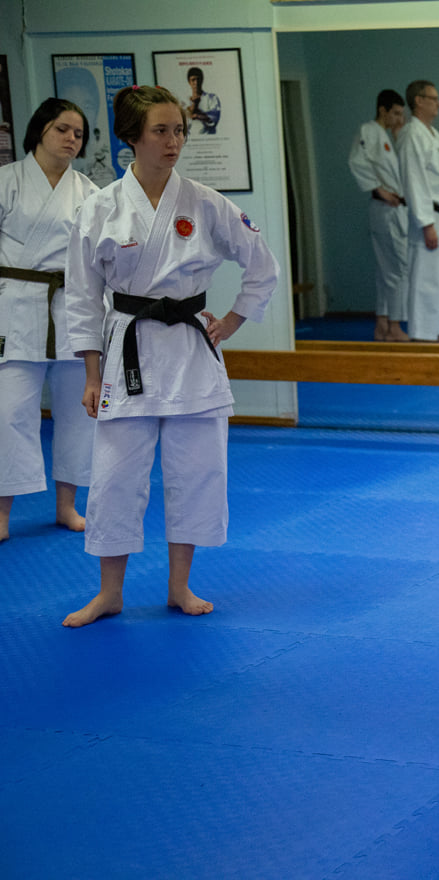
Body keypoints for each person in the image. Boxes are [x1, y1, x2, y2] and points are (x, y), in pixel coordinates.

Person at [61, 84, 278, 627]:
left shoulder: (206, 203)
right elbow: (82, 296)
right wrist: (91, 374)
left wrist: (232, 320)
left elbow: (262, 264)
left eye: (179, 130)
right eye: (160, 131)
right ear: (131, 138)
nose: (174, 141)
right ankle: (110, 593)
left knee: (197, 473)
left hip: (190, 351)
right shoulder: (99, 208)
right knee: (113, 478)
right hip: (126, 353)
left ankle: (179, 586)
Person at [0, 98, 98, 542]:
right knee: (8, 413)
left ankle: (66, 506)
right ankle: (2, 513)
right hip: (14, 308)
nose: (71, 139)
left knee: (78, 414)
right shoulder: (7, 182)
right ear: (39, 129)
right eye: (62, 129)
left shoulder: (90, 193)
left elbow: (99, 258)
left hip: (72, 308)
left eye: (78, 133)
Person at [396, 80, 439, 343]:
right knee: (427, 282)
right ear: (418, 101)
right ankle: (423, 337)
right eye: (433, 98)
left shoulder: (433, 135)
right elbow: (414, 181)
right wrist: (426, 223)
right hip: (431, 219)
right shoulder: (411, 134)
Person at [347, 88, 409, 342]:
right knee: (398, 270)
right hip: (386, 209)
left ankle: (382, 324)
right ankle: (394, 325)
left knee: (386, 272)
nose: (399, 119)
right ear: (382, 110)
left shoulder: (388, 137)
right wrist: (379, 190)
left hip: (393, 210)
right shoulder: (369, 131)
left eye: (401, 114)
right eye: (395, 113)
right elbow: (356, 161)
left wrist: (397, 135)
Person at [185, 67, 221, 135]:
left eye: (198, 79)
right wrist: (194, 107)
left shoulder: (212, 98)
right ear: (189, 82)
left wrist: (197, 116)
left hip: (209, 137)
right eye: (193, 80)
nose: (196, 83)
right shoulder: (185, 101)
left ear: (202, 80)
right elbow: (183, 120)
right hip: (191, 138)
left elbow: (215, 118)